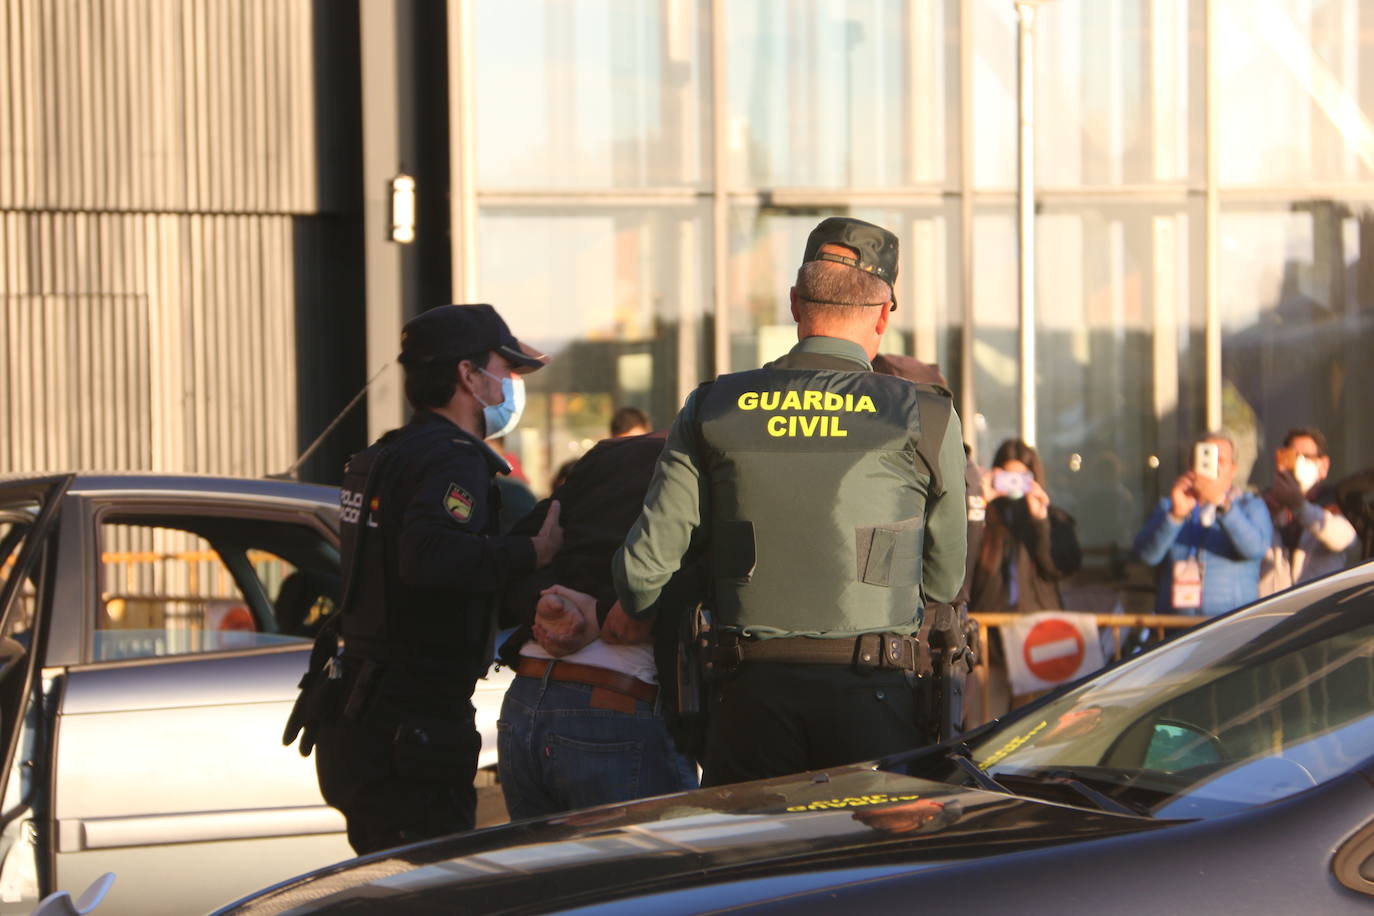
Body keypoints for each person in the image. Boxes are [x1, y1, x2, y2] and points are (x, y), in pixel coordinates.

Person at [612, 216, 968, 787]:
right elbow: (944, 579)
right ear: (883, 313)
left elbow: (641, 571)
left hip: (747, 697)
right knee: (869, 873)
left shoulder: (714, 407)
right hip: (876, 696)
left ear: (796, 304)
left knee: (756, 871)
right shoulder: (923, 414)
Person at [313, 303, 564, 855]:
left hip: (367, 715)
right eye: (506, 367)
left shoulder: (391, 453)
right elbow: (428, 558)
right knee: (426, 888)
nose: (511, 382)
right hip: (411, 726)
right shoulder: (452, 460)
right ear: (467, 376)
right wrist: (532, 550)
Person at [496, 431, 700, 820]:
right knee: (655, 876)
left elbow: (524, 547)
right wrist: (599, 615)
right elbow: (700, 585)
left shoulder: (610, 454)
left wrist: (546, 605)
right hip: (618, 703)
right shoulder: (706, 466)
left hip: (527, 698)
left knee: (553, 878)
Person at [1133, 432, 1272, 617]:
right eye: (1205, 458)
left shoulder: (1250, 506)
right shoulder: (1170, 506)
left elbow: (1255, 549)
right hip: (1177, 630)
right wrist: (1175, 516)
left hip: (1230, 628)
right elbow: (1147, 556)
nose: (1212, 467)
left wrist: (1223, 506)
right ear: (1191, 465)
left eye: (1219, 460)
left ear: (1233, 469)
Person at [968, 438, 1082, 617]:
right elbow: (962, 565)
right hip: (989, 623)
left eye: (1022, 479)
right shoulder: (983, 517)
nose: (1014, 486)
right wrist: (978, 504)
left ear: (1034, 478)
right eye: (1007, 477)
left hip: (1037, 627)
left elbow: (1061, 567)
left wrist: (1041, 522)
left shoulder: (1053, 518)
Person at [1259, 427, 1356, 595]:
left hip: (1316, 614)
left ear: (1323, 466)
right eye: (1292, 457)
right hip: (1271, 615)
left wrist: (1300, 506)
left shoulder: (1335, 503)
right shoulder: (1264, 505)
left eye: (1305, 457)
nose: (1298, 463)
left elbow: (1344, 540)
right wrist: (1268, 513)